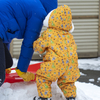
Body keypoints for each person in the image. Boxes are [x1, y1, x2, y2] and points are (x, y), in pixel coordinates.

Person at [0, 0, 57, 87]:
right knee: (0, 77)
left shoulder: (30, 4)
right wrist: (22, 70)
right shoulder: (39, 12)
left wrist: (4, 63)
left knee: (8, 63)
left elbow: (6, 34)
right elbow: (29, 42)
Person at [33, 5, 80, 100]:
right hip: (71, 65)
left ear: (51, 19)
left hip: (55, 64)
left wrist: (35, 43)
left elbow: (39, 48)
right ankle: (71, 97)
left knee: (43, 78)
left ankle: (44, 97)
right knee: (67, 82)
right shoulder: (69, 36)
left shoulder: (49, 33)